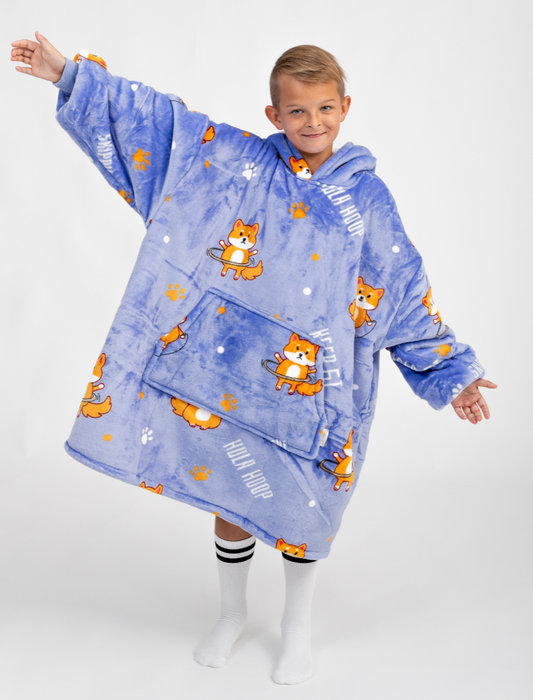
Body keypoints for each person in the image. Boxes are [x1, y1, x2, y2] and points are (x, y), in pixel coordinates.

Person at [11, 33, 497, 685]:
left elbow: (401, 287)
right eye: (297, 111)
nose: (312, 122)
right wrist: (69, 76)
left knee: (303, 506)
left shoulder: (366, 202)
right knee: (230, 493)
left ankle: (296, 627)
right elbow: (161, 125)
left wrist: (451, 372)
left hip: (316, 391)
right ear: (274, 114)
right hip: (232, 376)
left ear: (345, 108)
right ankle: (232, 612)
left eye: (324, 109)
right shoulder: (234, 162)